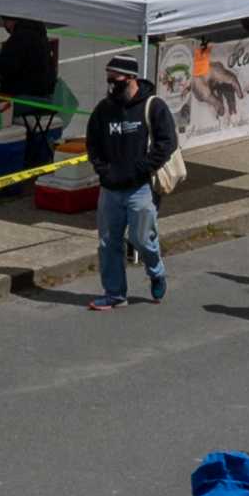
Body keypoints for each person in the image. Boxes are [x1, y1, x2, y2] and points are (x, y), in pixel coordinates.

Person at [85, 56, 178, 310]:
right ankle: (115, 294)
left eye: (115, 80)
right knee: (108, 242)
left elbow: (167, 143)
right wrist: (103, 170)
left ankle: (156, 271)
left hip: (141, 188)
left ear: (131, 78)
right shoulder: (103, 110)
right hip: (110, 190)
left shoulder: (153, 106)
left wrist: (141, 169)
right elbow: (92, 143)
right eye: (108, 80)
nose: (110, 85)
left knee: (141, 239)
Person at [0, 16, 58, 108]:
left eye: (5, 22)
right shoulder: (37, 32)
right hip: (46, 91)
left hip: (28, 95)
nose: (4, 26)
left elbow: (5, 67)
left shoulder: (20, 36)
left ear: (11, 21)